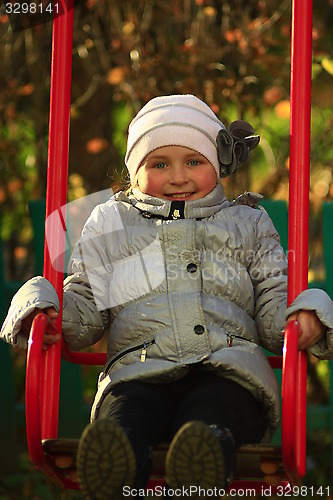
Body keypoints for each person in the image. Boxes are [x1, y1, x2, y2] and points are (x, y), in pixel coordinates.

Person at [1, 94, 333, 500]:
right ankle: (115, 456)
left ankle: (204, 453)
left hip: (229, 369)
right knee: (126, 414)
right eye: (159, 164)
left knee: (217, 409)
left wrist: (308, 315)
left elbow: (272, 308)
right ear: (134, 173)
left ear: (218, 164)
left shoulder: (247, 223)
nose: (178, 177)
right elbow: (84, 304)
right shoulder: (112, 222)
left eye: (193, 161)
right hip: (136, 370)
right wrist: (47, 311)